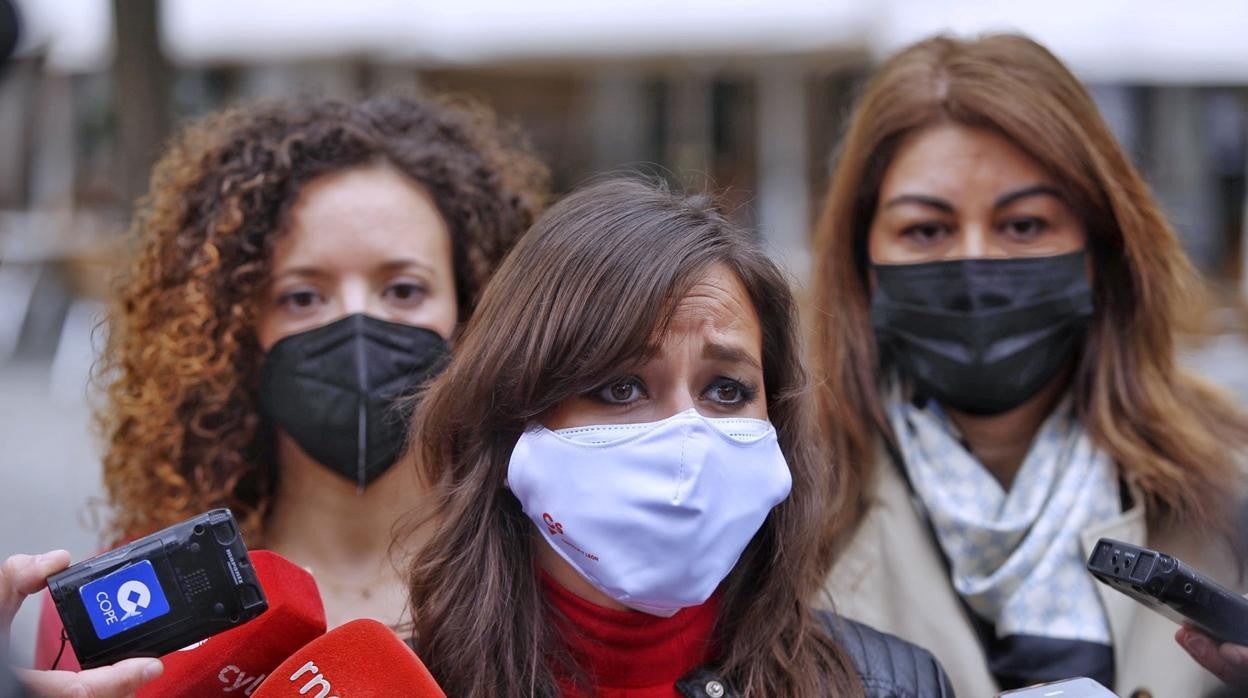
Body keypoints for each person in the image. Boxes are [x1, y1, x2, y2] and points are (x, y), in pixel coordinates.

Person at [30, 93, 547, 673]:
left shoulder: (562, 577)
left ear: (474, 310)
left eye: (404, 290)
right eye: (303, 297)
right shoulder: (131, 603)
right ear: (234, 328)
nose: (356, 325)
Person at [811, 33, 1248, 698]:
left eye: (1023, 225)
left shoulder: (1230, 483)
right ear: (861, 263)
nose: (976, 265)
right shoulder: (783, 508)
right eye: (927, 230)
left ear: (1101, 250)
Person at [404, 178, 952, 697]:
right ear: (510, 419)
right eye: (621, 388)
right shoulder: (398, 686)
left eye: (727, 390)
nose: (687, 438)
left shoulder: (887, 685)